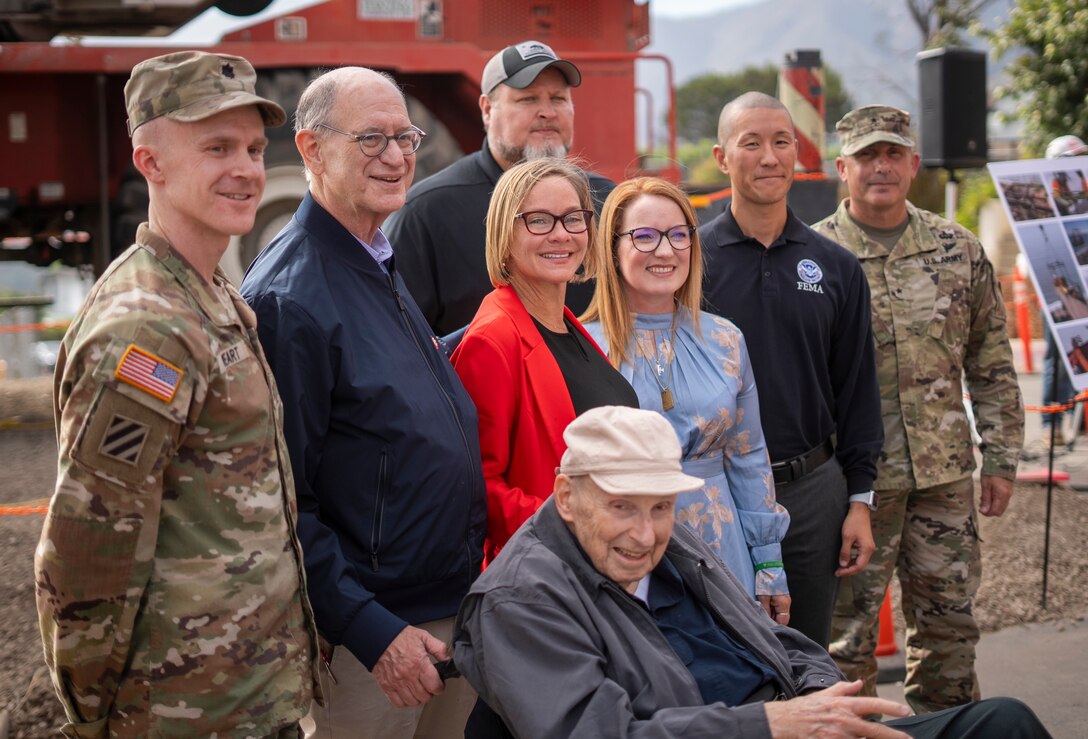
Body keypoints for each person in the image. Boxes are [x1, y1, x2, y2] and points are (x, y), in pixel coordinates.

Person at [453, 405, 1051, 739]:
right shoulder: (521, 596)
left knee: (1003, 724)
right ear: (564, 497)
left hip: (786, 723)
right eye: (620, 506)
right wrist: (768, 725)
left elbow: (776, 642)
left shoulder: (670, 539)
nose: (644, 533)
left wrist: (821, 701)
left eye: (661, 507)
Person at [35, 50, 320, 736]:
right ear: (151, 162)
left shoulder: (208, 293)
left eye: (254, 148)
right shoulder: (146, 327)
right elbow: (88, 547)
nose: (248, 169)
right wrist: (97, 711)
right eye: (217, 147)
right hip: (184, 711)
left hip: (250, 697)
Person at [240, 67, 486, 738]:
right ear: (312, 150)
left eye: (404, 136)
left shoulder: (375, 255)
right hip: (374, 645)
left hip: (441, 615)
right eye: (371, 138)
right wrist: (372, 632)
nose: (397, 155)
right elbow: (286, 503)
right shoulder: (293, 296)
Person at [812, 104, 1025, 713]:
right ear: (842, 167)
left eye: (893, 154)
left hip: (943, 478)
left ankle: (946, 729)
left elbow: (990, 360)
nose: (881, 167)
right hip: (854, 485)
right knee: (843, 639)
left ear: (913, 163)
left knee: (948, 629)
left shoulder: (957, 249)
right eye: (867, 156)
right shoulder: (815, 258)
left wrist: (1004, 457)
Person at [698, 91, 883, 649]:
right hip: (719, 491)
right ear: (722, 157)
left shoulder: (836, 266)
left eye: (782, 142)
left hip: (811, 494)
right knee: (725, 653)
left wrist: (859, 501)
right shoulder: (688, 263)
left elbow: (857, 391)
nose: (770, 157)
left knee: (807, 655)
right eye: (750, 143)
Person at [581, 176, 790, 619]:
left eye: (679, 235)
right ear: (611, 247)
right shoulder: (582, 346)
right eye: (644, 236)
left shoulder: (727, 341)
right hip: (625, 550)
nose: (665, 250)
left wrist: (769, 563)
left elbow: (748, 455)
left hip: (722, 546)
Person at [451, 157, 637, 564]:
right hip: (546, 572)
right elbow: (479, 487)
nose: (561, 235)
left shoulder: (565, 323)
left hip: (603, 563)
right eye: (538, 220)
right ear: (505, 233)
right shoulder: (493, 339)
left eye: (573, 218)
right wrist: (578, 523)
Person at [384, 40, 615, 335]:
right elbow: (398, 340)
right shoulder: (426, 214)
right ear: (487, 109)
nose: (548, 112)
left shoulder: (607, 203)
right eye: (528, 99)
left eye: (558, 99)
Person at [1040, 134, 1087, 444]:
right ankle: (1051, 422)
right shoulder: (1046, 203)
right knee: (1058, 355)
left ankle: (1076, 419)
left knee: (1080, 350)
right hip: (1058, 289)